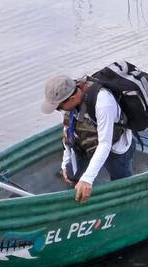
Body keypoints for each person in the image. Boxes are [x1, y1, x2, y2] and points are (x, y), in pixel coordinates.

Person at [41, 74, 135, 204]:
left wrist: (87, 179)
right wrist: (65, 163)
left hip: (115, 146)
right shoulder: (67, 104)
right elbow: (67, 130)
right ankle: (81, 190)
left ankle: (126, 202)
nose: (59, 110)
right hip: (86, 142)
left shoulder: (103, 103)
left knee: (122, 185)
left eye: (58, 107)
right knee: (71, 174)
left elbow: (105, 144)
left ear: (72, 98)